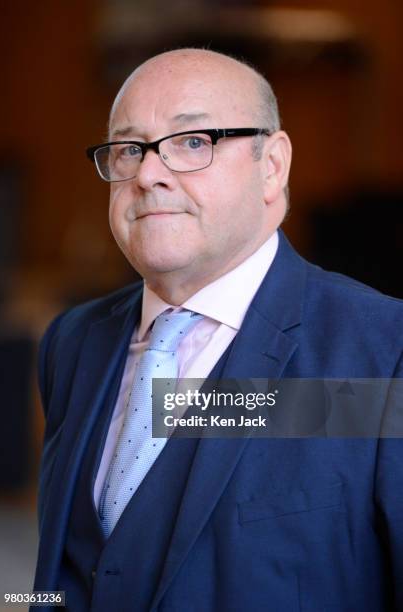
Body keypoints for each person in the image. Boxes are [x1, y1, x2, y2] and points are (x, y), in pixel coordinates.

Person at [32, 48, 403, 612]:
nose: (149, 174)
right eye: (131, 149)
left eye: (192, 142)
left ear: (272, 167)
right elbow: (59, 581)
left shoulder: (382, 350)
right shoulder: (73, 341)